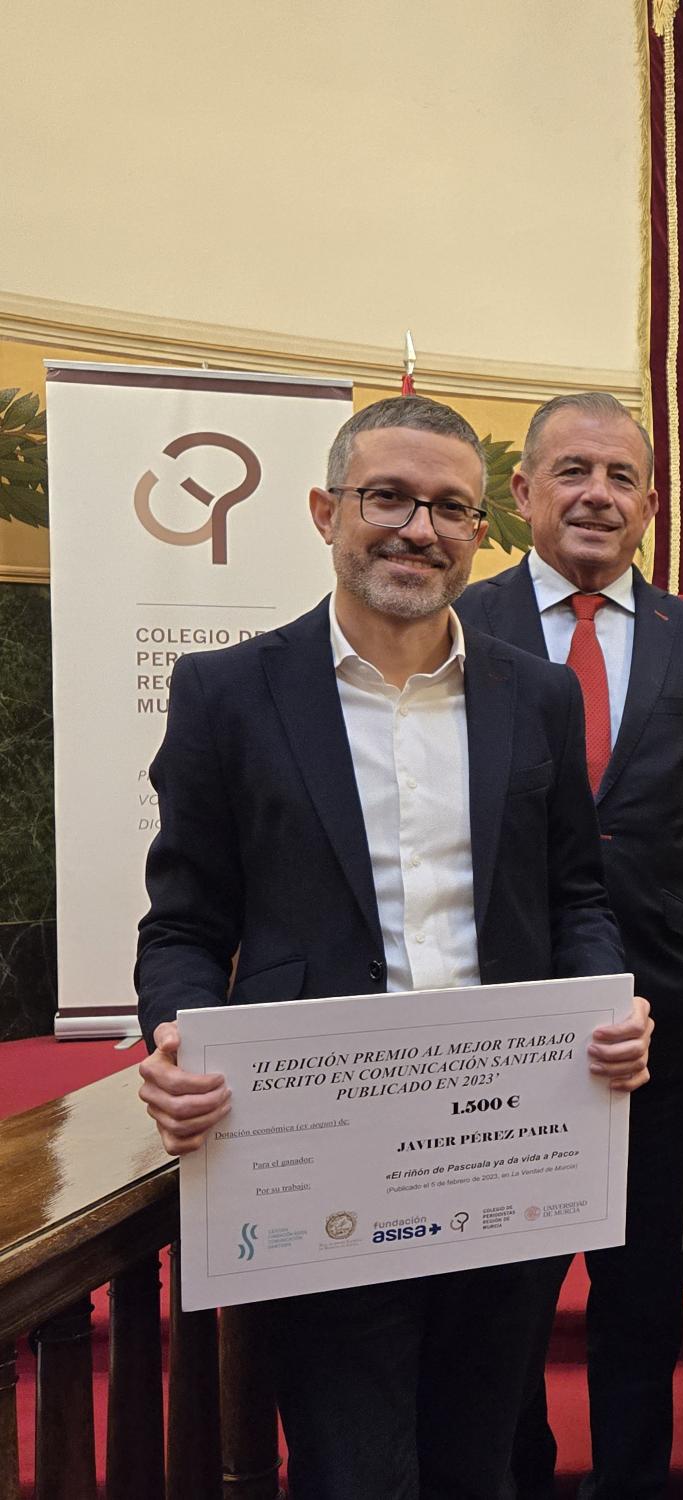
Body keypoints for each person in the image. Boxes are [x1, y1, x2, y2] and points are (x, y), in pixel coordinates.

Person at [132, 394, 654, 1500]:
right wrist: (176, 1032)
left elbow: (574, 896)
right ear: (327, 510)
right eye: (389, 498)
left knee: (480, 1458)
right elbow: (184, 920)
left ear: (481, 531)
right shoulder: (228, 695)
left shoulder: (538, 696)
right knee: (349, 1466)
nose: (419, 528)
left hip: (499, 1138)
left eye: (451, 508)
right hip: (317, 1143)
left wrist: (609, 1002)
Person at [456, 391, 683, 1500]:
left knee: (636, 1302)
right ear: (522, 492)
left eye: (621, 477)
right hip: (496, 1025)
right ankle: (517, 1475)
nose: (596, 495)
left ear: (651, 507)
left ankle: (630, 1481)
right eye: (571, 471)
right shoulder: (456, 627)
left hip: (656, 1021)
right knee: (505, 1299)